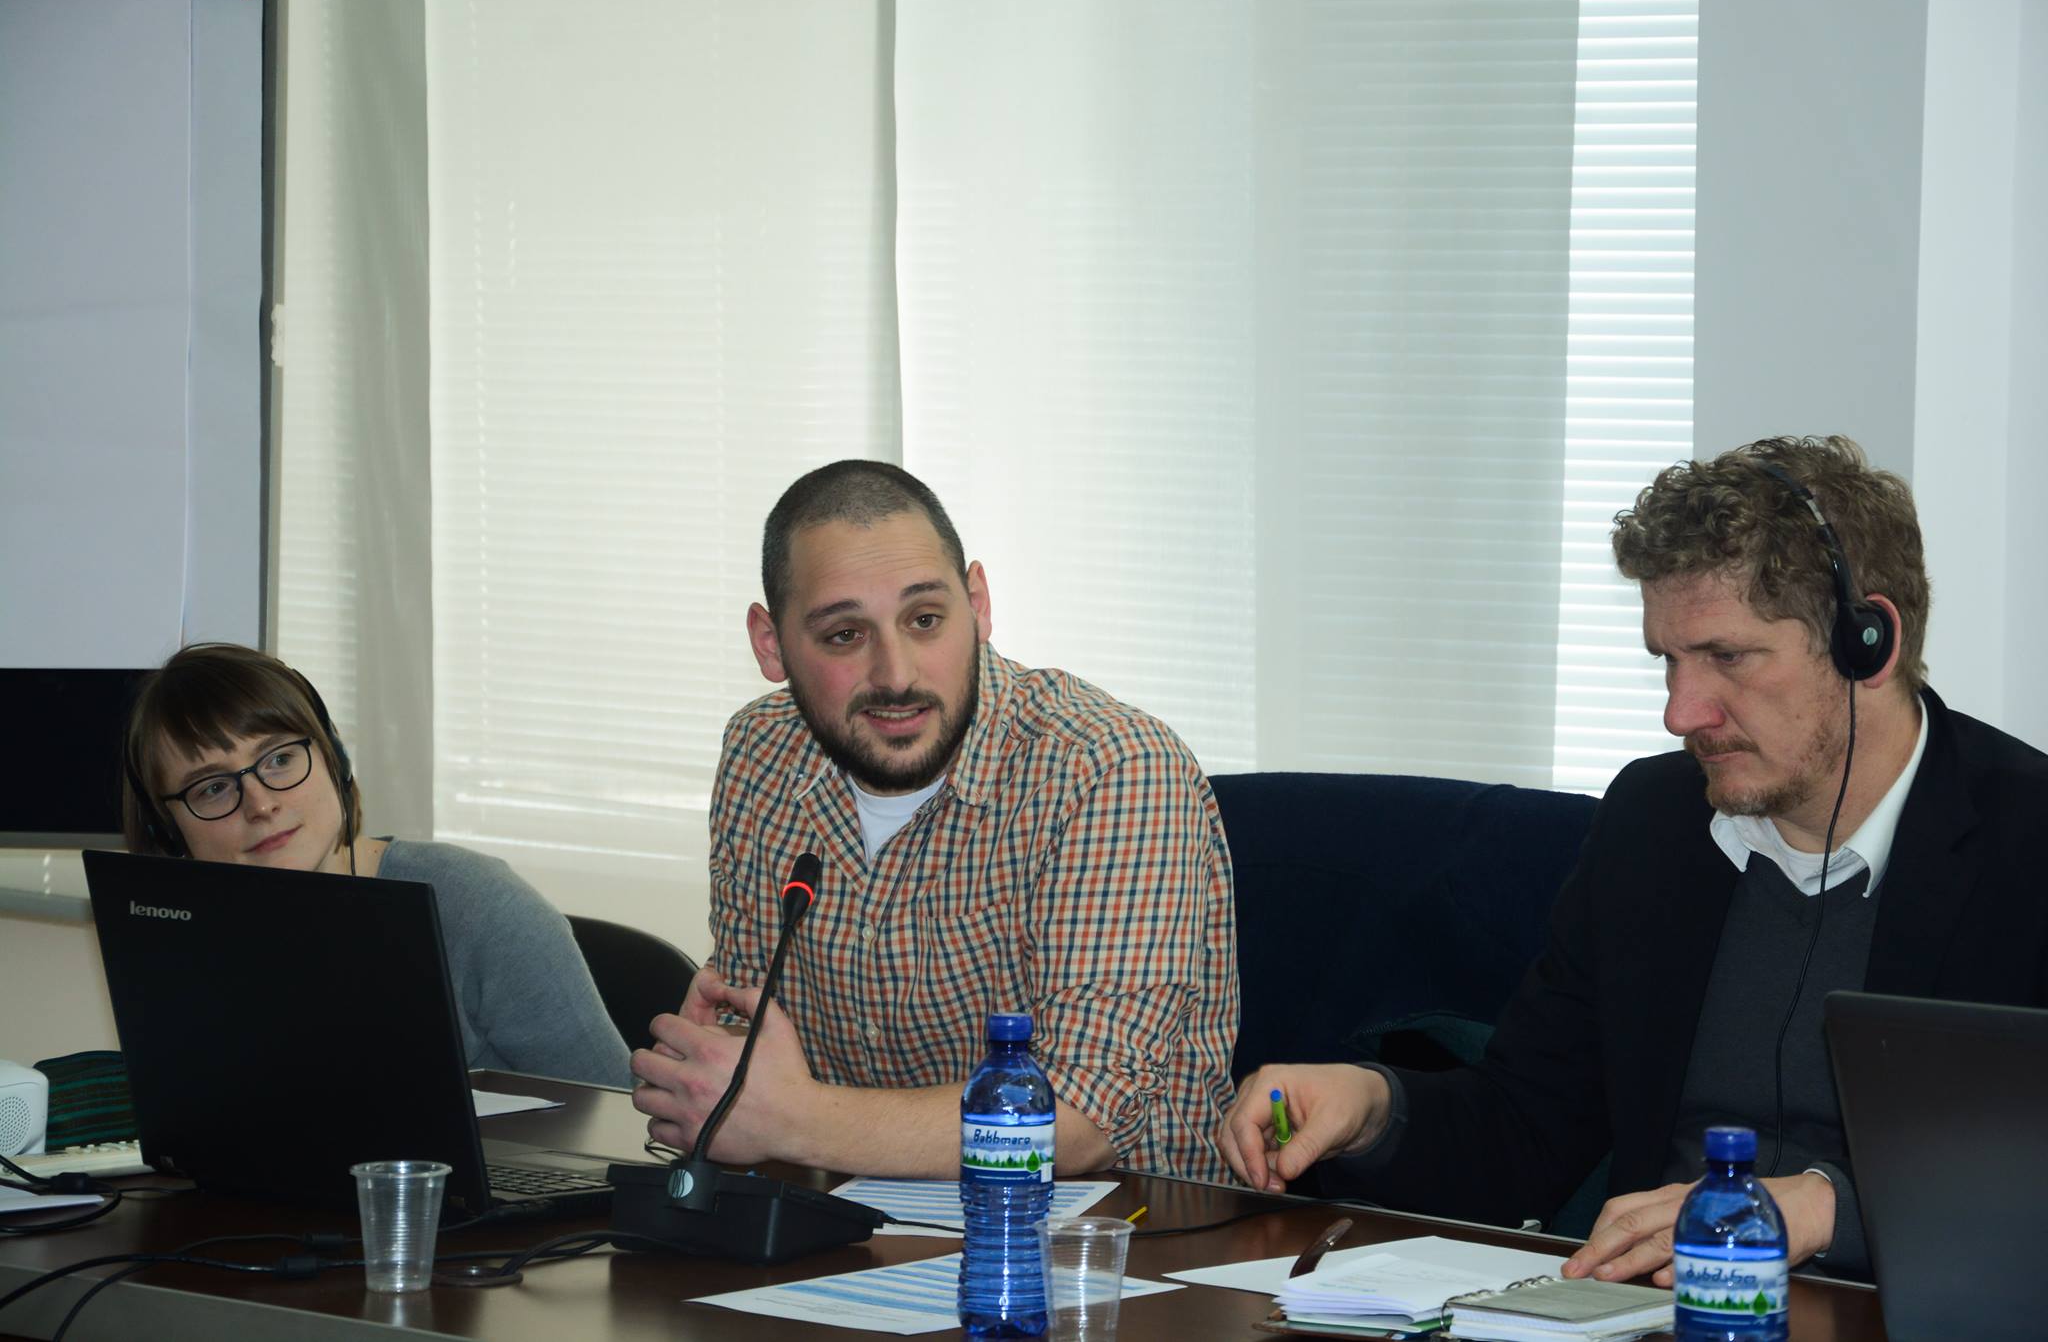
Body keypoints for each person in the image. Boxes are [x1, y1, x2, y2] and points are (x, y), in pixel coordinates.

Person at [1218, 436, 2048, 1284]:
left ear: (1868, 642)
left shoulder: (2027, 840)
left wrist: (1829, 1206)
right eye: (1668, 661)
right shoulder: (1655, 823)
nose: (1681, 713)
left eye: (1727, 657)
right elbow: (1524, 1128)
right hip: (1652, 1314)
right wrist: (1373, 1108)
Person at [630, 460, 1239, 1180]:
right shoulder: (761, 753)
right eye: (844, 634)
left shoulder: (1107, 768)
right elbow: (750, 1038)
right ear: (771, 644)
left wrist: (793, 1119)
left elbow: (1084, 1117)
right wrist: (715, 1070)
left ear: (977, 605)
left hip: (1119, 1226)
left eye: (925, 620)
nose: (896, 675)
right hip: (847, 1214)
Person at [121, 642, 631, 1088]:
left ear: (334, 757)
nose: (260, 804)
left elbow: (611, 1126)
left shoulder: (476, 904)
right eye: (213, 788)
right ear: (169, 830)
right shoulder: (176, 939)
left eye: (279, 759)